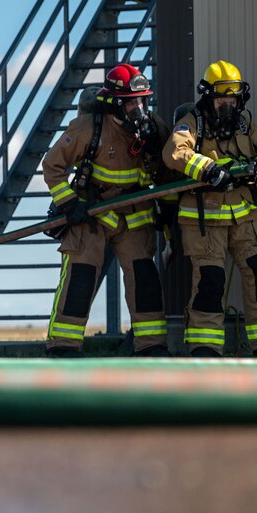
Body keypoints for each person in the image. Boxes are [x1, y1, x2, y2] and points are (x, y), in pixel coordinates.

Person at [43, 63, 173, 357]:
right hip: (92, 213)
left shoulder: (155, 128)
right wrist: (69, 203)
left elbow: (168, 174)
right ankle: (63, 347)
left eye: (143, 100)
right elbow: (52, 165)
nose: (139, 108)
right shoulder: (88, 128)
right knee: (81, 277)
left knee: (145, 280)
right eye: (131, 103)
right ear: (115, 103)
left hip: (135, 214)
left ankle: (151, 347)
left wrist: (167, 209)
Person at [163, 60, 257, 357]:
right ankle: (205, 348)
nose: (228, 104)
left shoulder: (245, 124)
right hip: (205, 221)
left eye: (233, 98)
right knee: (210, 282)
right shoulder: (193, 123)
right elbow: (174, 153)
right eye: (223, 98)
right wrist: (207, 169)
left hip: (246, 216)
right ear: (209, 97)